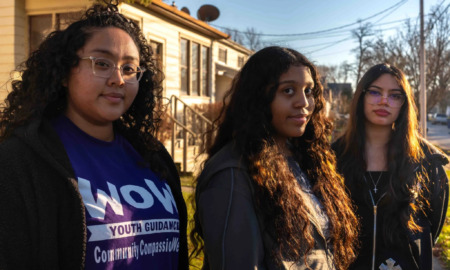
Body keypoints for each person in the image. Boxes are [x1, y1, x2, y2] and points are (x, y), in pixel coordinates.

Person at [0, 2, 188, 269]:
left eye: (129, 68)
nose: (118, 79)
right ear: (65, 72)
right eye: (102, 63)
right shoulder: (18, 162)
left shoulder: (153, 154)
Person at [190, 46, 359, 270]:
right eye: (288, 91)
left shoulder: (305, 160)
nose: (304, 103)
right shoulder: (232, 173)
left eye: (308, 91)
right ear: (258, 98)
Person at [332, 63, 449, 270]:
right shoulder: (332, 158)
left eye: (395, 95)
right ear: (361, 97)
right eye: (375, 92)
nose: (384, 101)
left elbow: (431, 230)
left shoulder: (427, 162)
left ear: (404, 104)